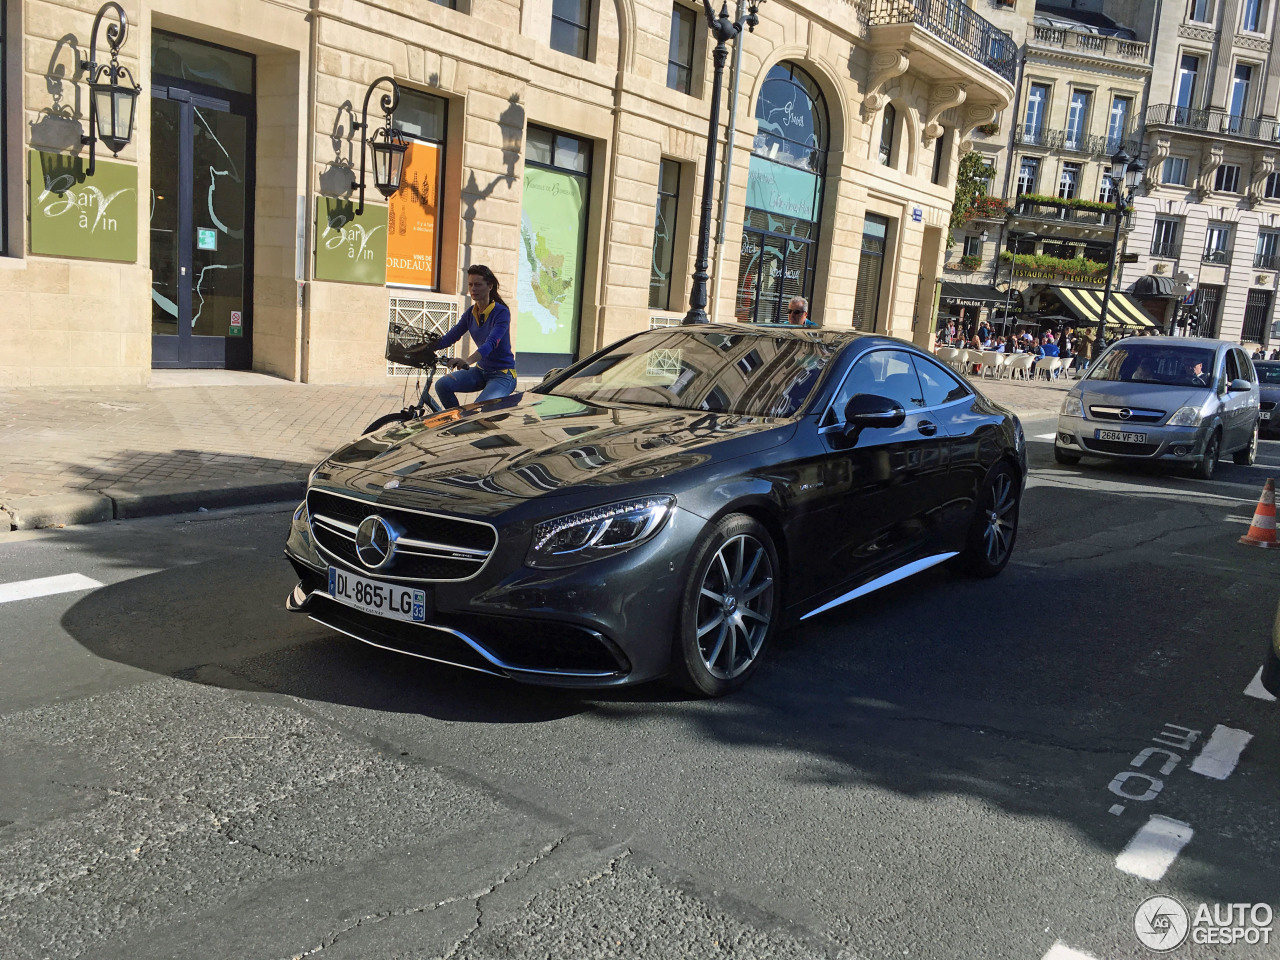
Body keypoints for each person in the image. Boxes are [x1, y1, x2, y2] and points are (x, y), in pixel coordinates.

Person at [430, 264, 517, 409]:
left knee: (480, 408)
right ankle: (457, 422)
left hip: (502, 375)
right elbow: (451, 337)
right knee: (442, 385)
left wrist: (466, 361)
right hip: (480, 371)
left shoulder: (501, 312)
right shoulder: (471, 313)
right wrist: (426, 346)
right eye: (470, 285)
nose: (473, 289)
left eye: (478, 284)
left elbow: (491, 343)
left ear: (489, 286)